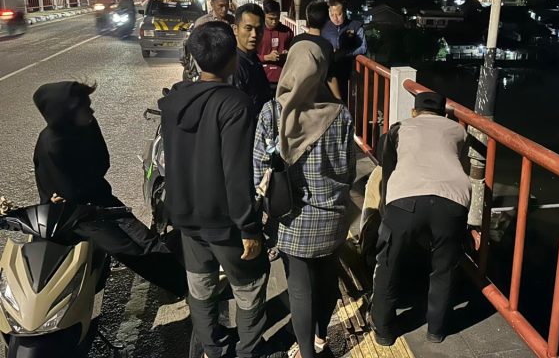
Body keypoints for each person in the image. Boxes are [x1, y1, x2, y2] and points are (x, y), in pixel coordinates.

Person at [159, 21, 280, 358]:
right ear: (232, 58)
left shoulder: (174, 100)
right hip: (225, 220)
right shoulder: (234, 104)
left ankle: (213, 348)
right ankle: (249, 350)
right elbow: (235, 173)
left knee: (200, 285)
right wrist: (249, 227)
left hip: (185, 214)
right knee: (250, 283)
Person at [32, 81, 187, 298]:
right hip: (75, 214)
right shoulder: (51, 146)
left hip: (99, 197)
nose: (91, 111)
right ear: (64, 114)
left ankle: (187, 284)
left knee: (145, 240)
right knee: (130, 250)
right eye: (85, 107)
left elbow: (103, 162)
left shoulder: (88, 124)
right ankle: (184, 287)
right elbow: (68, 193)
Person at [253, 40, 355, 358]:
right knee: (327, 281)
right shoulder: (340, 114)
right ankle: (322, 337)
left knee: (300, 289)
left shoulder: (273, 112)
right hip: (333, 215)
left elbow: (258, 169)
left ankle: (307, 352)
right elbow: (349, 170)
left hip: (292, 218)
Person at [370, 92, 470, 346]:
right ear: (444, 114)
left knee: (389, 263)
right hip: (452, 200)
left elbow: (387, 169)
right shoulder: (459, 131)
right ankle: (436, 329)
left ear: (414, 112)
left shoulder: (399, 128)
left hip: (406, 198)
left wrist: (387, 210)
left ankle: (384, 331)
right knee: (444, 268)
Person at [290, 0, 342, 100]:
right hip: (315, 96)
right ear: (326, 21)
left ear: (308, 18)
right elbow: (330, 76)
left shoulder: (296, 40)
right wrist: (339, 99)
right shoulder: (326, 46)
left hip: (294, 92)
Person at [321, 0, 367, 102]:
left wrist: (344, 54)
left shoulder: (356, 26)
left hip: (349, 71)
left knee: (346, 99)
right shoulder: (323, 27)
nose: (335, 18)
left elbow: (363, 48)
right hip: (327, 72)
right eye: (332, 15)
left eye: (339, 14)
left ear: (345, 12)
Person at [230, 3, 271, 116]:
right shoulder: (233, 65)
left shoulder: (253, 58)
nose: (254, 34)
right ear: (235, 29)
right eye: (248, 28)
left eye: (259, 29)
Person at [257, 0, 293, 97]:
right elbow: (249, 56)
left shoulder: (287, 32)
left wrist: (287, 54)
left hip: (282, 78)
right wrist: (266, 57)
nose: (274, 22)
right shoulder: (257, 32)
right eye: (270, 18)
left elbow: (293, 53)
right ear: (264, 15)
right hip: (262, 78)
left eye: (277, 18)